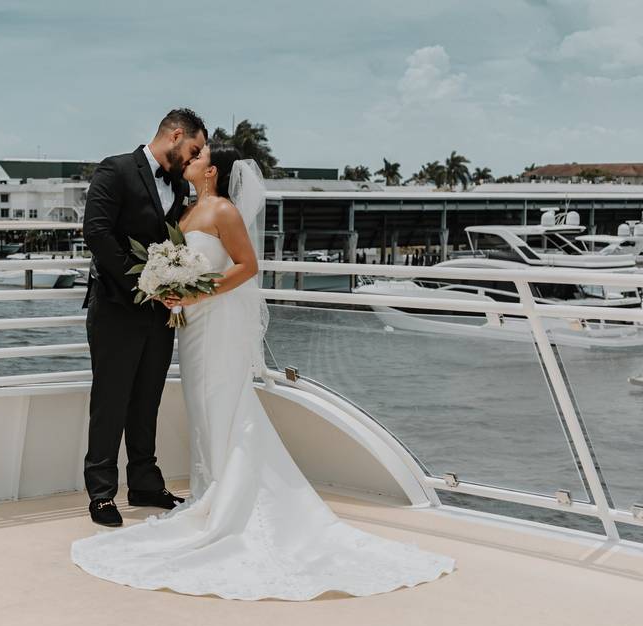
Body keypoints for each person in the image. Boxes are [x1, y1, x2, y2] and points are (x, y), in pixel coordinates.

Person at [71, 145, 455, 600]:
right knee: (199, 405)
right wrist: (168, 284)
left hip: (213, 323)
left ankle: (229, 497)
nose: (189, 159)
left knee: (222, 402)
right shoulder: (187, 206)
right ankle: (210, 487)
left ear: (211, 171)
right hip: (188, 327)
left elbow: (248, 266)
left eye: (198, 156)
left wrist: (194, 292)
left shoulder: (224, 211)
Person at [80, 108, 207, 526]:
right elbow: (97, 232)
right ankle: (101, 494)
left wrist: (173, 287)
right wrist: (143, 285)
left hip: (160, 313)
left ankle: (145, 484)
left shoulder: (177, 185)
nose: (192, 160)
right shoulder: (114, 170)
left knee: (147, 398)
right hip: (116, 307)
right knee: (110, 402)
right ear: (174, 136)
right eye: (192, 150)